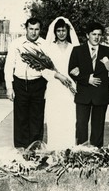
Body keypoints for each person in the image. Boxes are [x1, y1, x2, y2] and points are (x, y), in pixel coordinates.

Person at [4, 17, 70, 149]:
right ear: (26, 29)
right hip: (20, 84)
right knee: (21, 118)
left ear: (40, 30)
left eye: (37, 29)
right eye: (31, 29)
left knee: (37, 118)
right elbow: (9, 66)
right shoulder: (16, 44)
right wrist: (9, 87)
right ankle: (21, 149)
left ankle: (35, 148)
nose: (33, 32)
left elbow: (48, 68)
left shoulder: (45, 45)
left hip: (38, 84)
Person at [68, 22, 109, 148]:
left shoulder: (108, 51)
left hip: (100, 94)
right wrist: (87, 79)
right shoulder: (78, 50)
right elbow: (71, 70)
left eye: (99, 35)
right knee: (81, 125)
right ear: (87, 35)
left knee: (98, 126)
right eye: (94, 34)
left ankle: (96, 152)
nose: (96, 37)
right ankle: (81, 151)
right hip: (83, 93)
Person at [43, 17, 80, 151]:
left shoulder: (73, 48)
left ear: (68, 31)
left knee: (69, 118)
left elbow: (80, 65)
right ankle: (54, 148)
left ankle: (68, 148)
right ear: (55, 32)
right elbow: (43, 69)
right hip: (54, 86)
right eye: (58, 31)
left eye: (63, 30)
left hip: (69, 88)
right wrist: (57, 75)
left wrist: (77, 71)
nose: (61, 33)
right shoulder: (49, 48)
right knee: (54, 118)